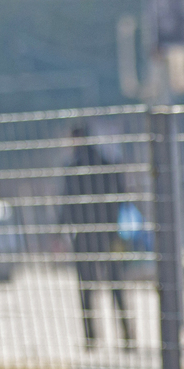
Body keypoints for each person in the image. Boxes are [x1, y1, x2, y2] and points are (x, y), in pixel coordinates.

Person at [62, 122, 135, 351]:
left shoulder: (74, 168)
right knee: (116, 285)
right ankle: (127, 336)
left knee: (87, 289)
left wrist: (58, 231)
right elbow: (122, 196)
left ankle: (91, 338)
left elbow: (66, 205)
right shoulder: (106, 163)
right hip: (109, 233)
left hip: (84, 236)